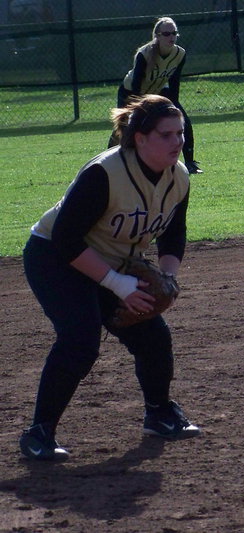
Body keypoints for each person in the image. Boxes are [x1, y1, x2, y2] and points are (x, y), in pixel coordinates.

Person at [19, 94, 201, 462]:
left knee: (153, 334)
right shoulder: (105, 173)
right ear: (140, 138)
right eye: (166, 135)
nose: (177, 142)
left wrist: (166, 277)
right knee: (80, 340)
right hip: (55, 258)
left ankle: (159, 413)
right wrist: (119, 286)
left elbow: (173, 232)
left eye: (180, 133)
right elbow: (66, 240)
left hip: (112, 261)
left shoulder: (177, 178)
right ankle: (38, 433)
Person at [109, 16, 203, 174]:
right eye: (166, 34)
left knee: (183, 120)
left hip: (156, 92)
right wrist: (138, 109)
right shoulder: (144, 54)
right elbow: (136, 85)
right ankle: (111, 160)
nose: (171, 37)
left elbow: (174, 84)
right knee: (126, 127)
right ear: (157, 36)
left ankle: (190, 163)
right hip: (131, 92)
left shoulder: (179, 54)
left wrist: (173, 107)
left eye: (174, 33)